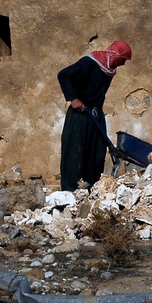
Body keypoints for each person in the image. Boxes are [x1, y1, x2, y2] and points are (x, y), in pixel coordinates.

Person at [57, 40, 133, 192]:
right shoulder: (89, 63)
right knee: (74, 151)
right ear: (115, 55)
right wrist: (73, 98)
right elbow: (63, 75)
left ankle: (92, 187)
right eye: (123, 59)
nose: (123, 64)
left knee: (97, 152)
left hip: (95, 114)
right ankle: (69, 191)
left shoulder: (109, 69)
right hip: (80, 114)